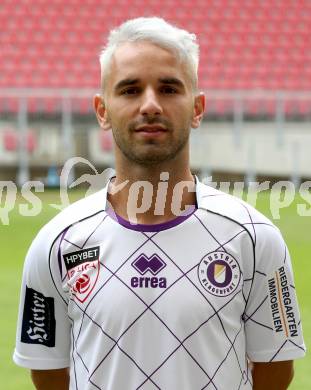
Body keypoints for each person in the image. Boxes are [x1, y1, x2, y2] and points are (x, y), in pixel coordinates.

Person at [14, 17, 305, 390]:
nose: (150, 105)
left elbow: (276, 367)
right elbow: (47, 368)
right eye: (130, 90)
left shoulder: (255, 237)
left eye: (168, 89)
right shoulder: (57, 243)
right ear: (102, 110)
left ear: (197, 108)